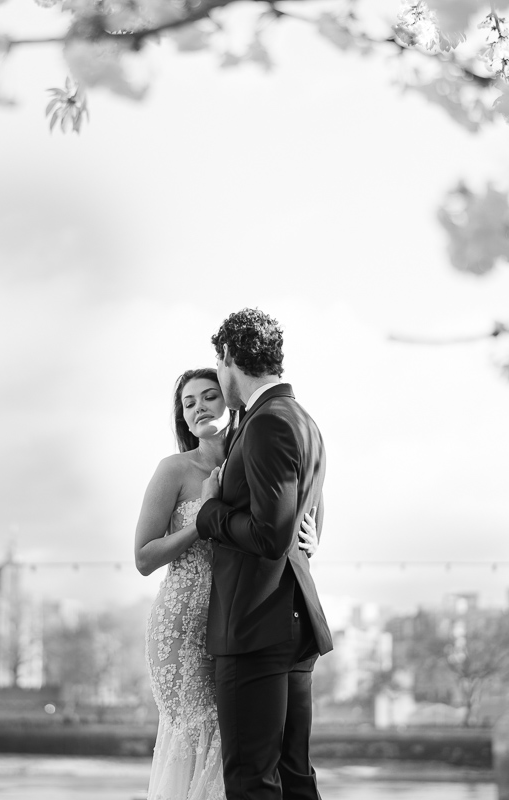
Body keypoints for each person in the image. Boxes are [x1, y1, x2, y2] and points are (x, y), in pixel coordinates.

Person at [135, 367, 319, 800]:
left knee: (235, 747)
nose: (199, 408)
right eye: (189, 403)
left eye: (209, 396)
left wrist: (311, 537)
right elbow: (144, 557)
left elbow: (278, 520)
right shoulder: (175, 469)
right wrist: (204, 519)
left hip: (240, 625)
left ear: (230, 401)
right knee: (197, 741)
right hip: (181, 627)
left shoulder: (251, 453)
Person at [195, 309, 331, 800]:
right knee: (295, 780)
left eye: (219, 363)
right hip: (290, 625)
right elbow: (307, 520)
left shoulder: (267, 423)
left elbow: (271, 535)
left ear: (230, 356)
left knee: (253, 783)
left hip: (255, 626)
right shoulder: (304, 422)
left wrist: (208, 514)